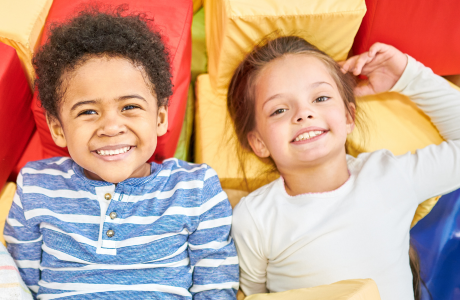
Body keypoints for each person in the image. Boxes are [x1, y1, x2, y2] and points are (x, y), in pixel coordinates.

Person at [4, 8, 238, 299]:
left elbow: (216, 286)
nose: (111, 127)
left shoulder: (195, 187)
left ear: (161, 118)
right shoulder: (37, 185)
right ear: (58, 128)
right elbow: (19, 285)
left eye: (130, 107)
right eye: (88, 111)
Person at [228, 36, 460, 300]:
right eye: (279, 110)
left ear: (349, 117)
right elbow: (251, 295)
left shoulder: (392, 176)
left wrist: (408, 76)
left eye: (321, 97)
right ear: (259, 142)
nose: (303, 113)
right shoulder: (255, 219)